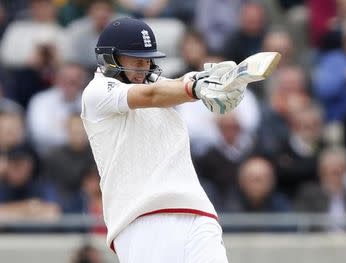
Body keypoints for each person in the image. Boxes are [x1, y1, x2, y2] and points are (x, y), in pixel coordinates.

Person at [81, 17, 247, 262]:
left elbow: (176, 84)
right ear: (110, 59)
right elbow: (152, 94)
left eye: (148, 59)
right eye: (136, 59)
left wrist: (219, 80)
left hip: (197, 211)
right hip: (142, 217)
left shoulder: (156, 83)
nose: (145, 65)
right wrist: (195, 87)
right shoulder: (96, 93)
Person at [27, 63, 87, 156]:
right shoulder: (40, 100)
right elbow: (39, 133)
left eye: (76, 79)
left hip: (85, 155)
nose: (71, 81)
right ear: (57, 78)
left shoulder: (90, 101)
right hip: (47, 156)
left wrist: (61, 128)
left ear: (83, 80)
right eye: (66, 77)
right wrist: (75, 136)